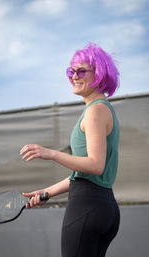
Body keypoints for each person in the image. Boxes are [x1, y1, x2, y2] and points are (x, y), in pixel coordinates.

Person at [20, 42, 120, 257]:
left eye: (81, 71)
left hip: (87, 207)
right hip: (104, 207)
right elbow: (84, 174)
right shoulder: (102, 109)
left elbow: (95, 165)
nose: (74, 76)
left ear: (100, 74)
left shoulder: (95, 112)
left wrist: (51, 153)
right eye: (71, 71)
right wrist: (47, 193)